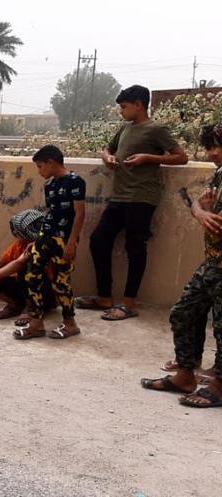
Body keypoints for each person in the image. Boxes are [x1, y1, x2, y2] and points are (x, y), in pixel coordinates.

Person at [76, 85, 189, 321]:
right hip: (119, 196)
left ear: (139, 105)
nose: (122, 111)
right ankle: (104, 297)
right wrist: (107, 158)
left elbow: (181, 157)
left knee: (135, 247)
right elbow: (108, 149)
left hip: (142, 197)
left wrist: (148, 158)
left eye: (124, 107)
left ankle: (129, 303)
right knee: (99, 240)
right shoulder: (125, 128)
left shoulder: (156, 129)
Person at [141, 124, 222, 408]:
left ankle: (219, 386)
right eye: (210, 147)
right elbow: (200, 207)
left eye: (218, 146)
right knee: (183, 312)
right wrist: (201, 212)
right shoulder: (220, 173)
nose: (213, 153)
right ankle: (185, 375)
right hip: (213, 261)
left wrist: (204, 213)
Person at [14, 145, 85, 340]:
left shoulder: (75, 181)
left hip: (64, 240)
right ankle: (36, 323)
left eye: (40, 166)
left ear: (51, 162)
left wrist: (71, 243)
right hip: (45, 237)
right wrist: (37, 239)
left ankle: (70, 323)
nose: (39, 171)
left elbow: (79, 214)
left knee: (61, 282)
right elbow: (51, 214)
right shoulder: (49, 185)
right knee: (31, 275)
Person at [0, 209, 55, 320]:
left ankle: (31, 307)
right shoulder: (19, 244)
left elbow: (19, 263)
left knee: (27, 267)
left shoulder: (44, 244)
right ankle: (14, 305)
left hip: (44, 293)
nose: (14, 233)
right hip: (22, 288)